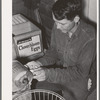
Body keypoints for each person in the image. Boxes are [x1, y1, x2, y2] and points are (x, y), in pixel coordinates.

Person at [25, 0, 96, 100]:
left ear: (76, 19)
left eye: (62, 24)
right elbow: (53, 52)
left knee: (72, 96)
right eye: (55, 22)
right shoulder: (58, 25)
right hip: (62, 69)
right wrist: (38, 63)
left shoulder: (90, 36)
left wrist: (48, 74)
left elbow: (80, 71)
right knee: (34, 86)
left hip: (81, 75)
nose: (57, 27)